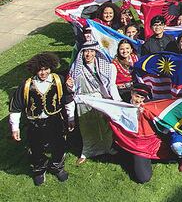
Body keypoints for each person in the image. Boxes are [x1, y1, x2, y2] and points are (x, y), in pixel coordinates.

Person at [9, 53, 75, 186]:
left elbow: (67, 99)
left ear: (51, 67)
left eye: (46, 69)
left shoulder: (58, 80)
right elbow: (16, 107)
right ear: (35, 70)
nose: (43, 73)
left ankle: (57, 167)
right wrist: (15, 128)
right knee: (35, 148)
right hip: (35, 124)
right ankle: (39, 170)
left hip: (55, 121)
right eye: (40, 70)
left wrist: (70, 117)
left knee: (59, 145)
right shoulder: (27, 85)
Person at [69, 41, 121, 164]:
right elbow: (72, 89)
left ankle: (108, 147)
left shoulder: (103, 66)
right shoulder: (75, 68)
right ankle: (87, 151)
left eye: (92, 51)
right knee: (87, 127)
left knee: (105, 125)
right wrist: (69, 86)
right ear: (82, 53)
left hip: (99, 98)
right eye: (86, 51)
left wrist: (116, 100)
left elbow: (110, 85)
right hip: (83, 100)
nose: (89, 54)